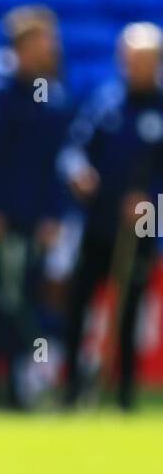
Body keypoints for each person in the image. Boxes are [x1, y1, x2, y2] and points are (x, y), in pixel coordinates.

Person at [0, 6, 72, 408]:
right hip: (3, 218)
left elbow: (55, 164)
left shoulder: (51, 96)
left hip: (35, 219)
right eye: (43, 41)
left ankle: (16, 388)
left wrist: (54, 215)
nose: (51, 49)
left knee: (24, 301)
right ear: (23, 45)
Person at [60, 22, 163, 410]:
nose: (133, 67)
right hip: (97, 227)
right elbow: (73, 151)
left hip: (140, 233)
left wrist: (151, 202)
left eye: (142, 61)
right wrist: (78, 173)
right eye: (129, 59)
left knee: (130, 314)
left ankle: (124, 397)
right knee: (78, 307)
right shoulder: (105, 104)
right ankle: (72, 391)